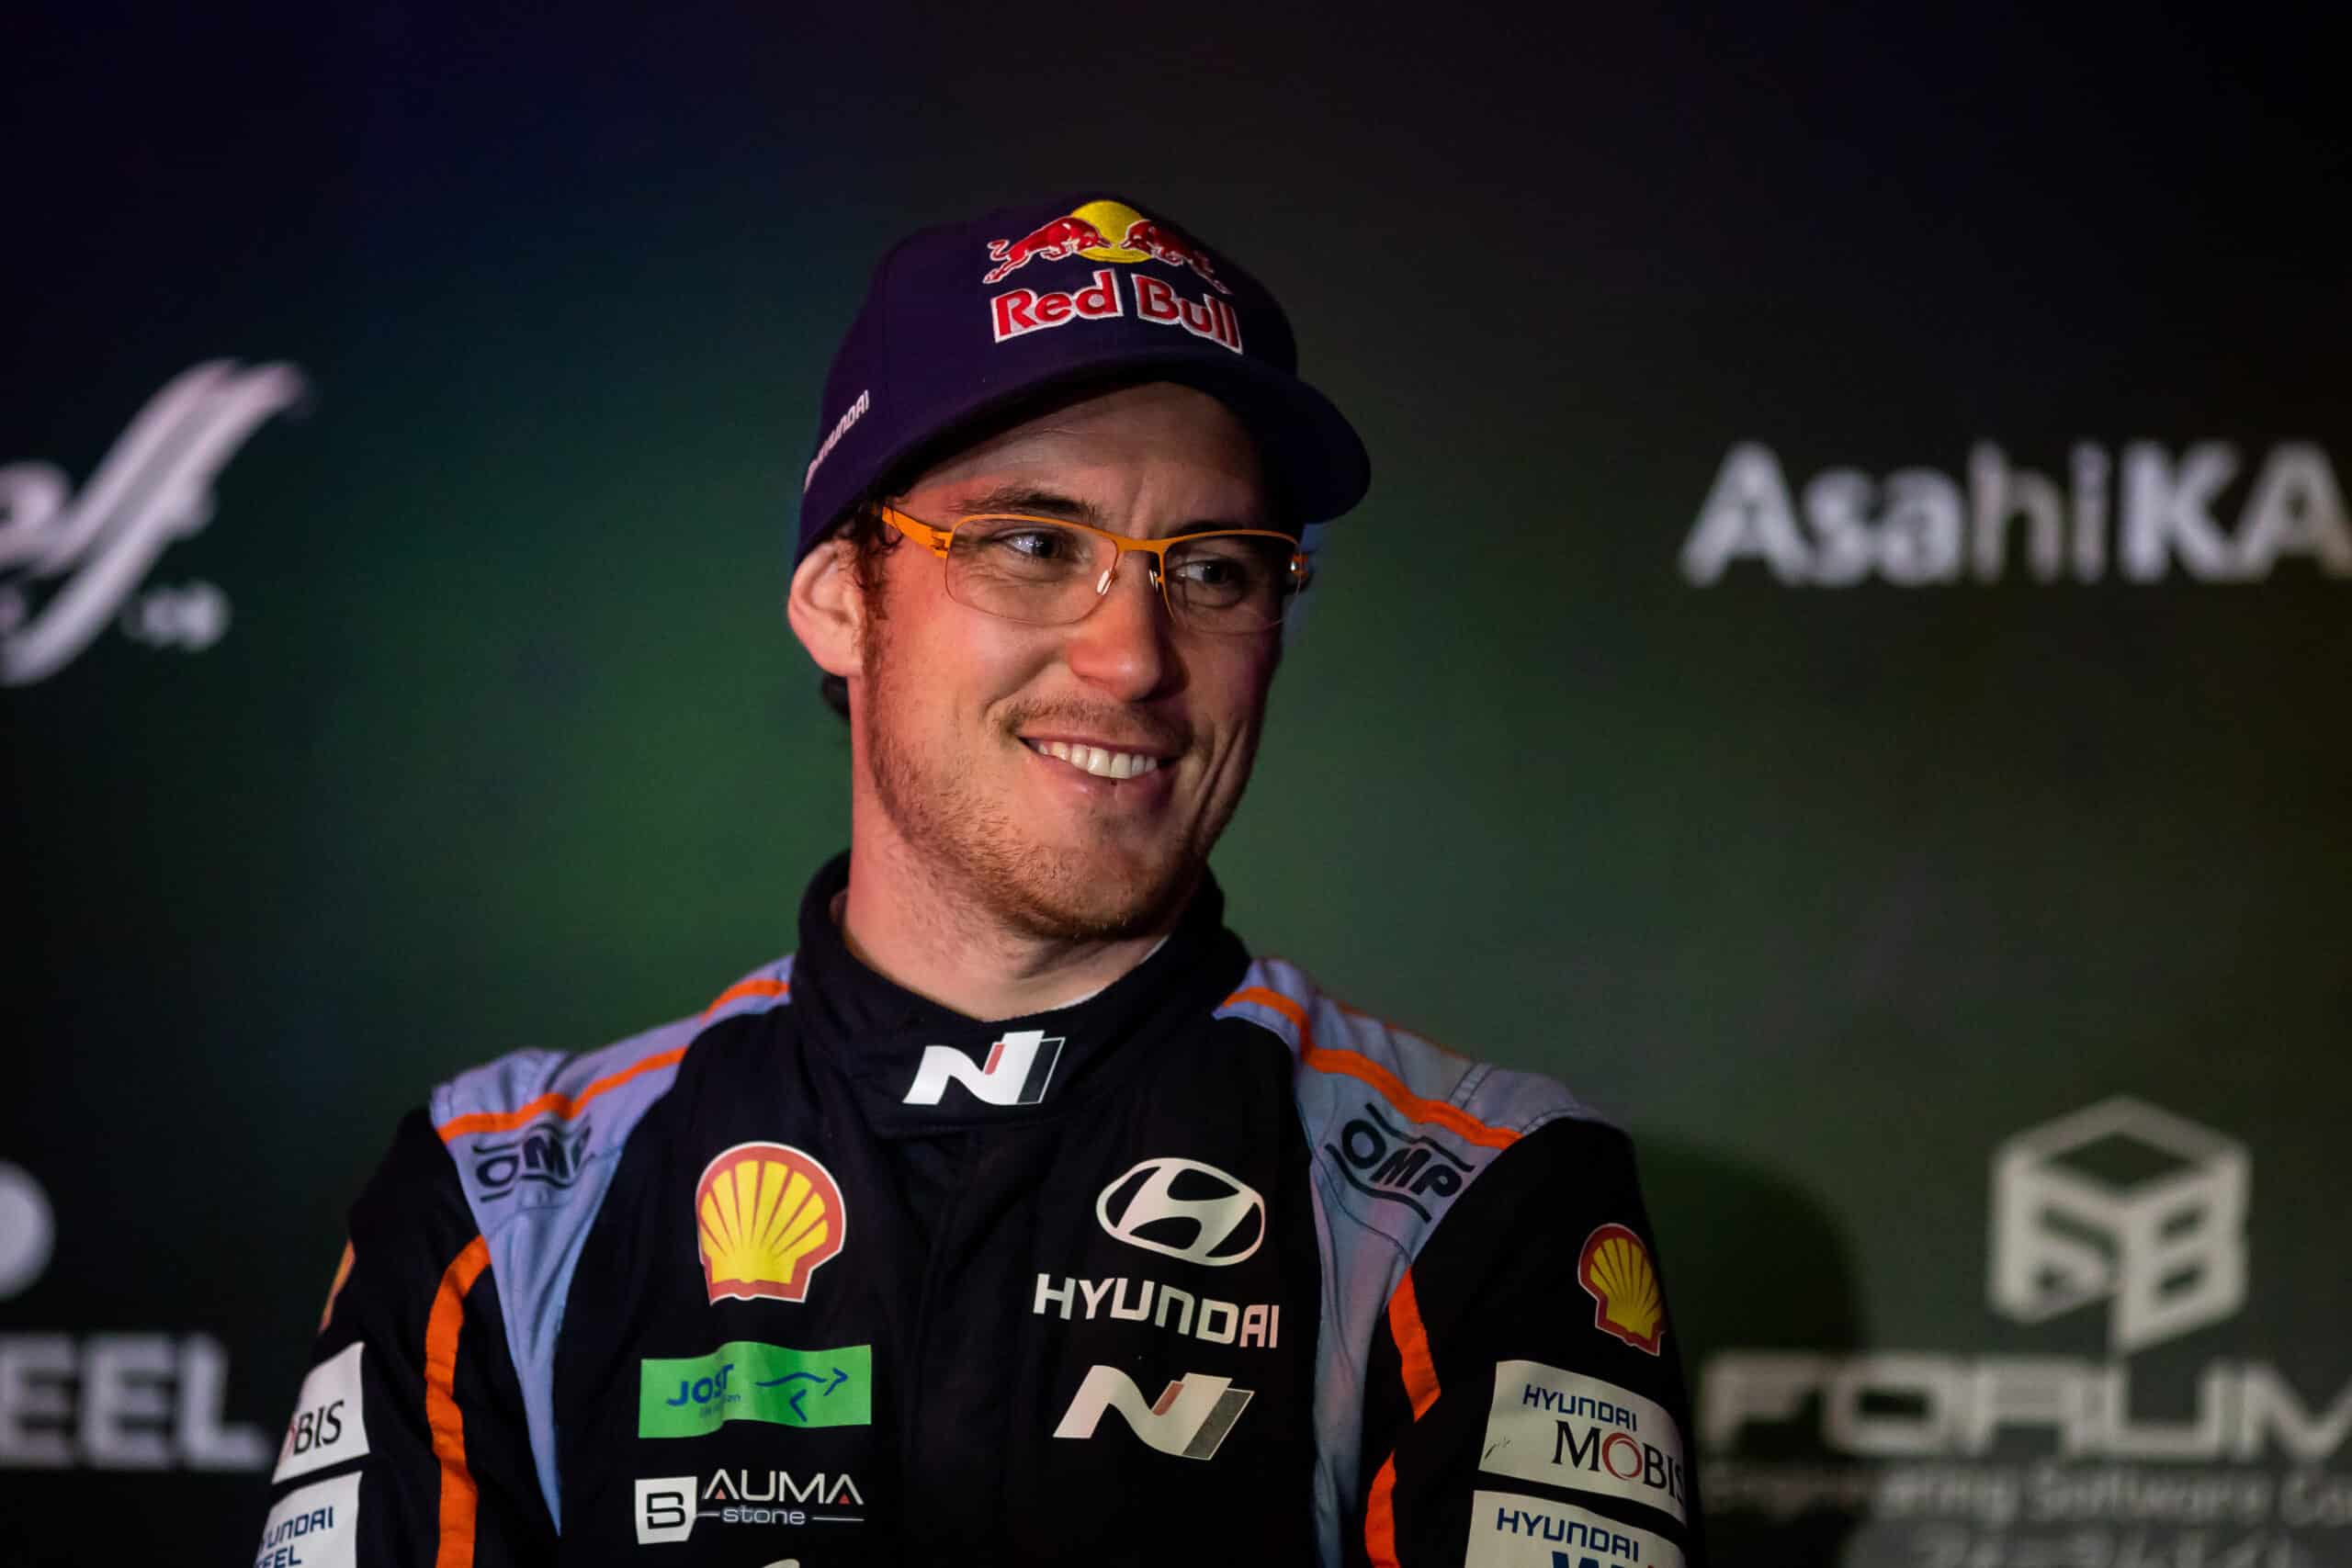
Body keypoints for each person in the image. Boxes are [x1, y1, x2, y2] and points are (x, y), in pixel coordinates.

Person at [252, 193, 1704, 1568]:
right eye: (1031, 544)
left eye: (1213, 568)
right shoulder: (502, 1199)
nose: (1131, 657)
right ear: (840, 596)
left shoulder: (1475, 1198)